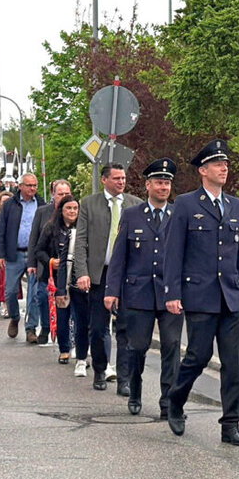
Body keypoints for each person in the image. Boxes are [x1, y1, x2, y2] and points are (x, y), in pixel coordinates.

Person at [164, 141, 239, 444]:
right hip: (199, 295)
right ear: (203, 170)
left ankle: (231, 424)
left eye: (226, 164)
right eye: (218, 164)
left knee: (232, 362)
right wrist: (172, 293)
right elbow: (174, 252)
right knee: (198, 356)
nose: (224, 168)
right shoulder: (187, 204)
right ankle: (175, 400)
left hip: (229, 295)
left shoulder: (235, 206)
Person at [105, 158, 183, 418]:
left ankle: (168, 402)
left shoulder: (178, 215)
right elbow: (119, 257)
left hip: (170, 294)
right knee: (137, 347)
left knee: (172, 347)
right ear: (148, 185)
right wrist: (112, 290)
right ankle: (135, 389)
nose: (164, 187)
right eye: (159, 182)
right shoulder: (131, 215)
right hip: (138, 294)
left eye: (167, 183)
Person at [74, 164, 142, 393]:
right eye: (116, 178)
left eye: (123, 178)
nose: (121, 182)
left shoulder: (135, 204)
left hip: (128, 276)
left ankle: (124, 378)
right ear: (104, 180)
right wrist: (82, 272)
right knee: (99, 326)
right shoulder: (89, 204)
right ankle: (100, 369)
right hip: (99, 275)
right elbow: (81, 242)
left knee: (125, 328)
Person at [0, 173, 46, 341]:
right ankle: (15, 317)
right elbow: (1, 230)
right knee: (10, 291)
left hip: (35, 255)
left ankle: (31, 329)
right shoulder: (10, 205)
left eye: (35, 185)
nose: (32, 189)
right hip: (14, 253)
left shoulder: (41, 204)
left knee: (34, 294)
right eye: (29, 185)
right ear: (20, 186)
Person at [38, 195, 88, 365]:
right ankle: (64, 349)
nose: (72, 211)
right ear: (61, 210)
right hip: (60, 279)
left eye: (75, 208)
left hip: (78, 278)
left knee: (80, 317)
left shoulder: (82, 228)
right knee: (62, 315)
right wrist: (51, 261)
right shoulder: (51, 227)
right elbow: (40, 250)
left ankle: (80, 350)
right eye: (69, 208)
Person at [25, 179, 72, 346]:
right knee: (43, 297)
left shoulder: (76, 213)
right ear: (53, 195)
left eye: (67, 193)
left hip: (68, 268)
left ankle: (66, 334)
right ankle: (46, 327)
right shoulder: (43, 212)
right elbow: (34, 240)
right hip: (46, 265)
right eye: (61, 194)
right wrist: (32, 263)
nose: (64, 197)